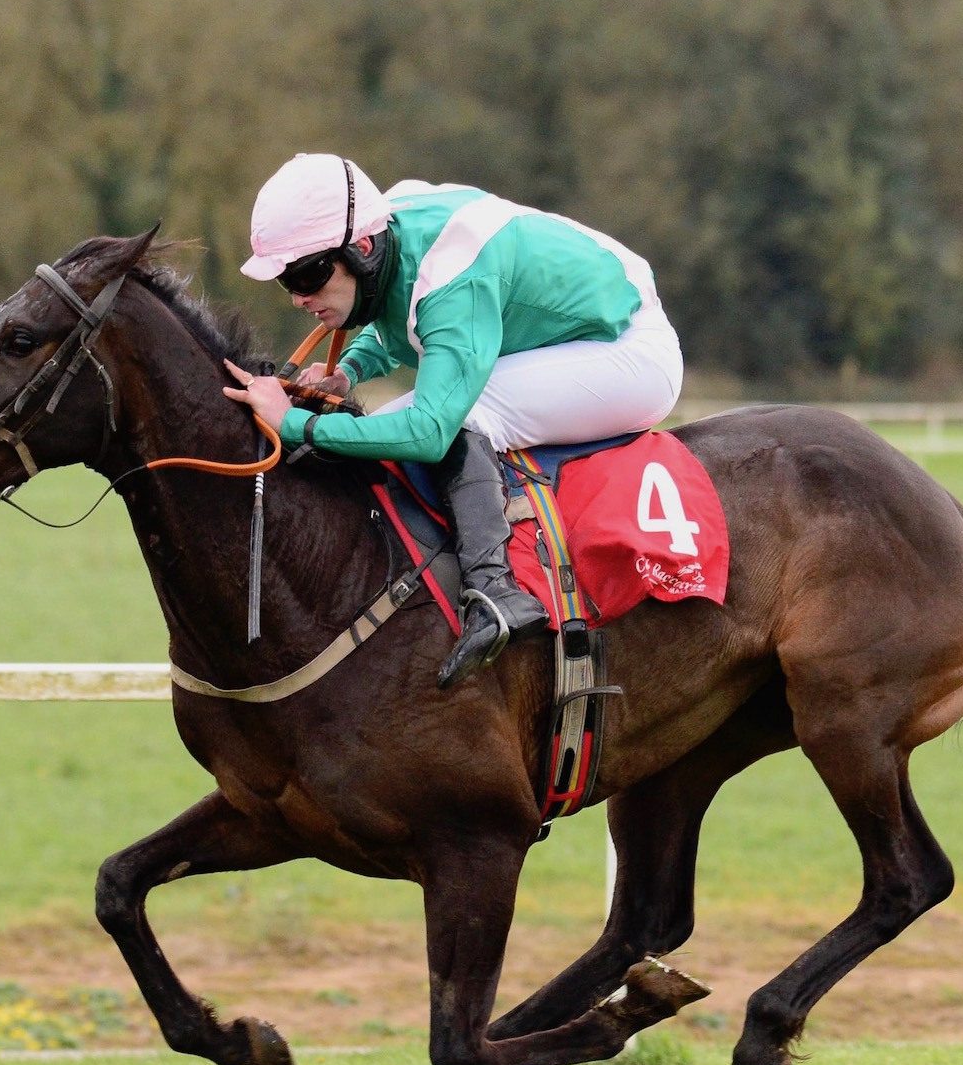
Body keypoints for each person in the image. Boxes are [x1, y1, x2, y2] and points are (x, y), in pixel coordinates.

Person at [222, 153, 685, 688]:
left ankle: (497, 594)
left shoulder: (451, 273)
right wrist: (349, 372)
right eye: (287, 280)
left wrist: (297, 426)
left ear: (363, 249)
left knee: (467, 415)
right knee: (393, 420)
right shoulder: (388, 231)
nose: (301, 296)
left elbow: (429, 430)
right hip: (561, 320)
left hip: (628, 349)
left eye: (309, 274)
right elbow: (401, 316)